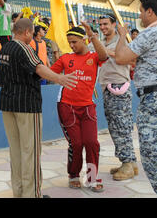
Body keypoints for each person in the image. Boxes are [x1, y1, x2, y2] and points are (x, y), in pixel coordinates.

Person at [0, 18, 77, 198]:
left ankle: (19, 193)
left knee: (16, 151)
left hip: (8, 104)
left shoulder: (6, 48)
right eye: (32, 32)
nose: (33, 36)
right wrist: (60, 78)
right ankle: (32, 194)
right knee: (31, 152)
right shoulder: (24, 47)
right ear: (26, 32)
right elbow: (39, 68)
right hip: (26, 105)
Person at [115, 0, 157, 198]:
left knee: (154, 159)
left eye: (141, 13)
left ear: (150, 12)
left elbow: (120, 57)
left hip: (155, 101)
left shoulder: (151, 33)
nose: (141, 18)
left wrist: (121, 36)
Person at [50, 23, 108, 192]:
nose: (72, 45)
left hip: (88, 107)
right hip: (67, 106)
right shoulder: (65, 58)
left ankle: (92, 178)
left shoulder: (94, 57)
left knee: (91, 143)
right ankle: (73, 175)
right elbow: (51, 74)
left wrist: (93, 36)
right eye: (70, 42)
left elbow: (104, 56)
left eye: (75, 42)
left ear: (84, 40)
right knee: (76, 143)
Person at [97, 13, 138, 180]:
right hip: (107, 88)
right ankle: (130, 162)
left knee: (121, 126)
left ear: (114, 24)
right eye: (100, 24)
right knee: (116, 126)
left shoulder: (122, 41)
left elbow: (130, 61)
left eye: (106, 24)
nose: (103, 27)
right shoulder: (101, 43)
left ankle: (127, 163)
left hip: (119, 87)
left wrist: (110, 52)